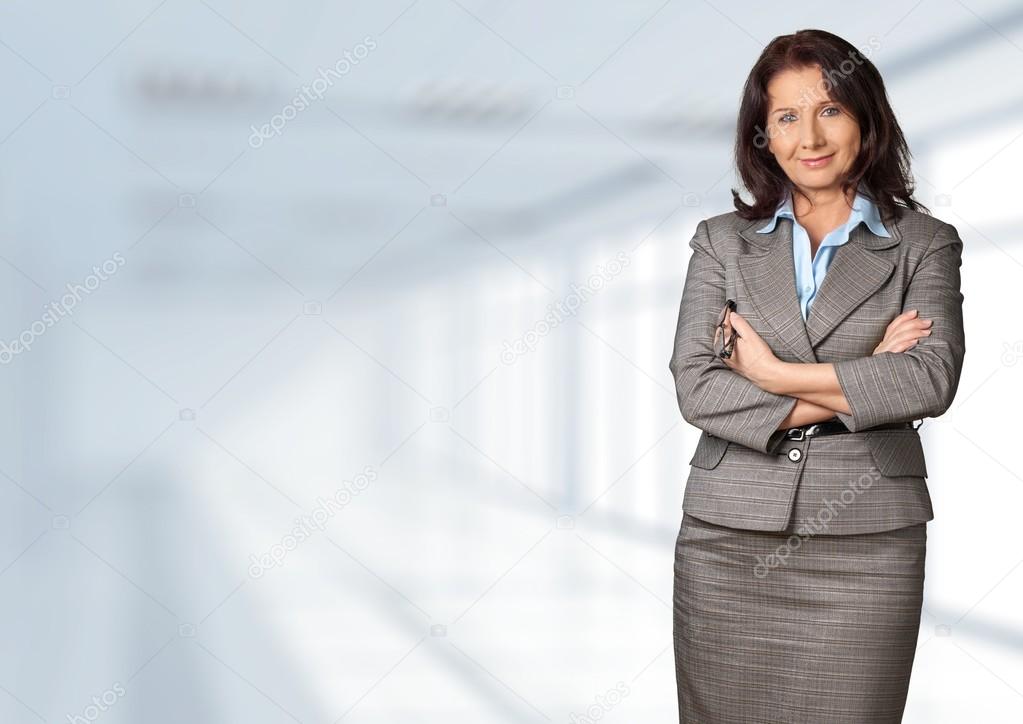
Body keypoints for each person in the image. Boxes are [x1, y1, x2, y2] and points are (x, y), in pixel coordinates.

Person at [668, 29, 966, 723]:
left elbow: (928, 381)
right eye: (785, 116)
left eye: (829, 109)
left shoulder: (923, 243)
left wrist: (769, 372)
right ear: (761, 136)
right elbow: (697, 387)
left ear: (866, 120)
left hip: (867, 540)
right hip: (726, 535)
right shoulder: (721, 242)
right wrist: (863, 378)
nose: (810, 135)